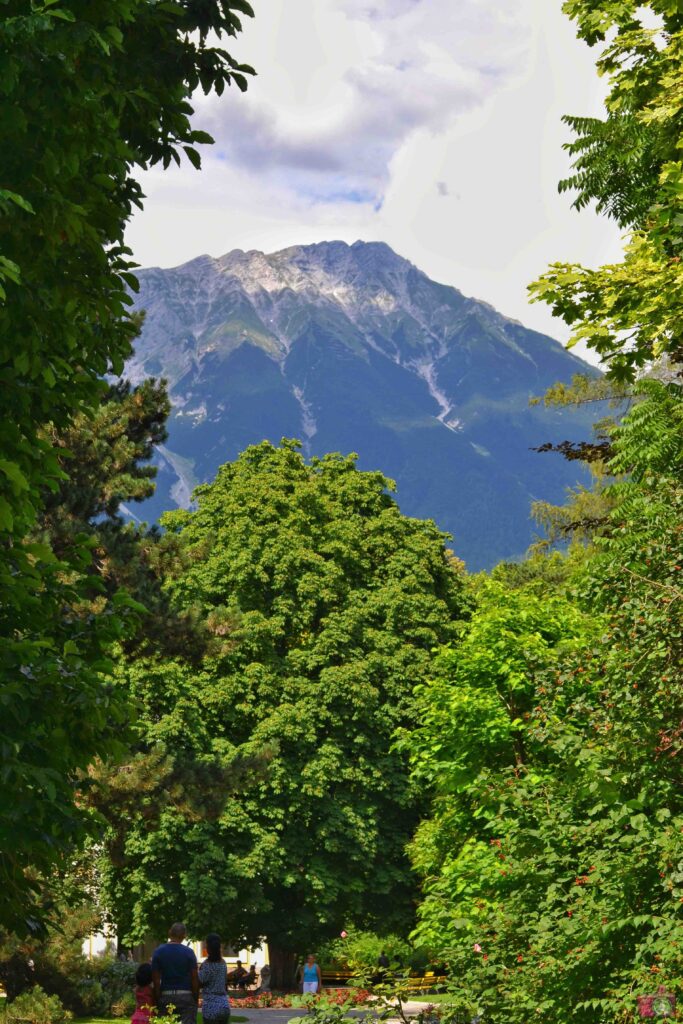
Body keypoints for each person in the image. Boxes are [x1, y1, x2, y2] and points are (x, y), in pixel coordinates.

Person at [152, 922, 199, 1024]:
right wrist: (195, 997)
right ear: (184, 935)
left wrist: (157, 998)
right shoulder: (189, 952)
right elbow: (194, 978)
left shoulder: (158, 952)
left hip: (166, 995)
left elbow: (156, 980)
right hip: (185, 995)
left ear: (170, 933)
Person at [199, 934, 230, 1024]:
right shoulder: (223, 963)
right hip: (224, 1005)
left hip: (210, 1006)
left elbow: (199, 982)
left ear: (208, 948)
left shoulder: (206, 965)